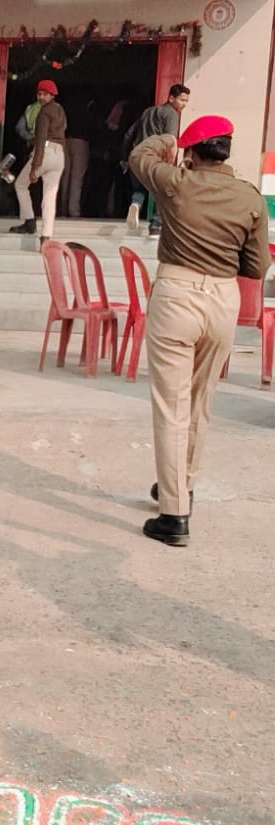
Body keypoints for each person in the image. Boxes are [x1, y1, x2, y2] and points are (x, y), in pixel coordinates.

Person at [130, 114, 269, 547]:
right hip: (223, 299)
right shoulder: (249, 197)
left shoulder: (176, 182)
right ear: (226, 150)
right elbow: (256, 266)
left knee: (171, 406)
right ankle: (182, 486)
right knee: (199, 401)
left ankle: (174, 516)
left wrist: (166, 140)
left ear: (191, 153)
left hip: (177, 294)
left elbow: (138, 155)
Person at [122, 83, 191, 234]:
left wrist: (124, 158)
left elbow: (129, 134)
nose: (184, 104)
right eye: (181, 100)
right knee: (161, 192)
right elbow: (171, 140)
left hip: (136, 156)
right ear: (171, 98)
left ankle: (135, 205)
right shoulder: (171, 114)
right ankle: (155, 226)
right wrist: (170, 164)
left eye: (186, 101)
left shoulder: (148, 111)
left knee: (139, 189)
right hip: (155, 158)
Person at [11, 80, 67, 242]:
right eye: (39, 94)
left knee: (20, 185)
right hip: (59, 154)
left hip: (45, 152)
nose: (41, 97)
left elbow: (41, 139)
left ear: (52, 95)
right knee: (50, 196)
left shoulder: (43, 112)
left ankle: (29, 221)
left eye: (45, 94)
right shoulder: (60, 110)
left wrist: (35, 166)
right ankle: (46, 236)